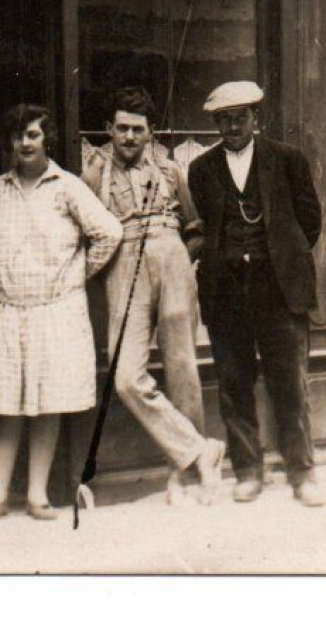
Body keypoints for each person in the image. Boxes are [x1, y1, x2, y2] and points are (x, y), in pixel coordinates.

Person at [0, 104, 122, 523]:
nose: (25, 143)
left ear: (46, 139)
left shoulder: (67, 186)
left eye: (33, 135)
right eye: (19, 136)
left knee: (48, 402)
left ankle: (37, 494)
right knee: (6, 404)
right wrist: (1, 270)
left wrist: (75, 275)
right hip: (8, 309)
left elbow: (109, 232)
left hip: (56, 310)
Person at [81, 87, 225, 505]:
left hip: (172, 255)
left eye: (137, 130)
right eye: (121, 129)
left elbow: (196, 227)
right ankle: (199, 450)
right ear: (109, 129)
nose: (128, 137)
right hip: (124, 261)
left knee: (182, 366)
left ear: (151, 132)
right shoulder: (93, 173)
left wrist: (177, 260)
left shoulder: (169, 170)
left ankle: (181, 476)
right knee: (126, 377)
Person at [186, 82, 326, 508]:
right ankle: (248, 471)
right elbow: (208, 226)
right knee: (233, 382)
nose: (232, 126)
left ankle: (302, 473)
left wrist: (281, 260)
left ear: (255, 118)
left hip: (277, 289)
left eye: (240, 117)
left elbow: (310, 221)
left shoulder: (286, 160)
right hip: (225, 290)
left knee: (290, 382)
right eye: (224, 119)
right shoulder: (201, 169)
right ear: (215, 123)